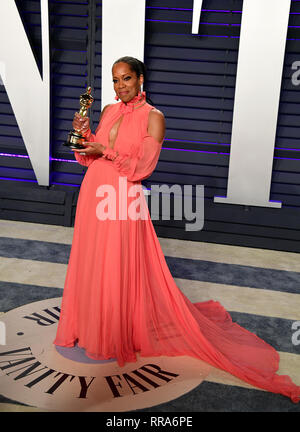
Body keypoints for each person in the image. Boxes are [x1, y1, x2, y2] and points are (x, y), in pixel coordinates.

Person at [53, 56, 300, 403]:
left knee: (116, 266)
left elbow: (142, 167)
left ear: (141, 78)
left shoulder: (154, 118)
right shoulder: (108, 109)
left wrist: (104, 150)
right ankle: (87, 328)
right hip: (93, 193)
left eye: (126, 79)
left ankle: (114, 334)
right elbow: (87, 157)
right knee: (92, 264)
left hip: (122, 198)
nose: (120, 86)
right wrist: (84, 134)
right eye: (115, 80)